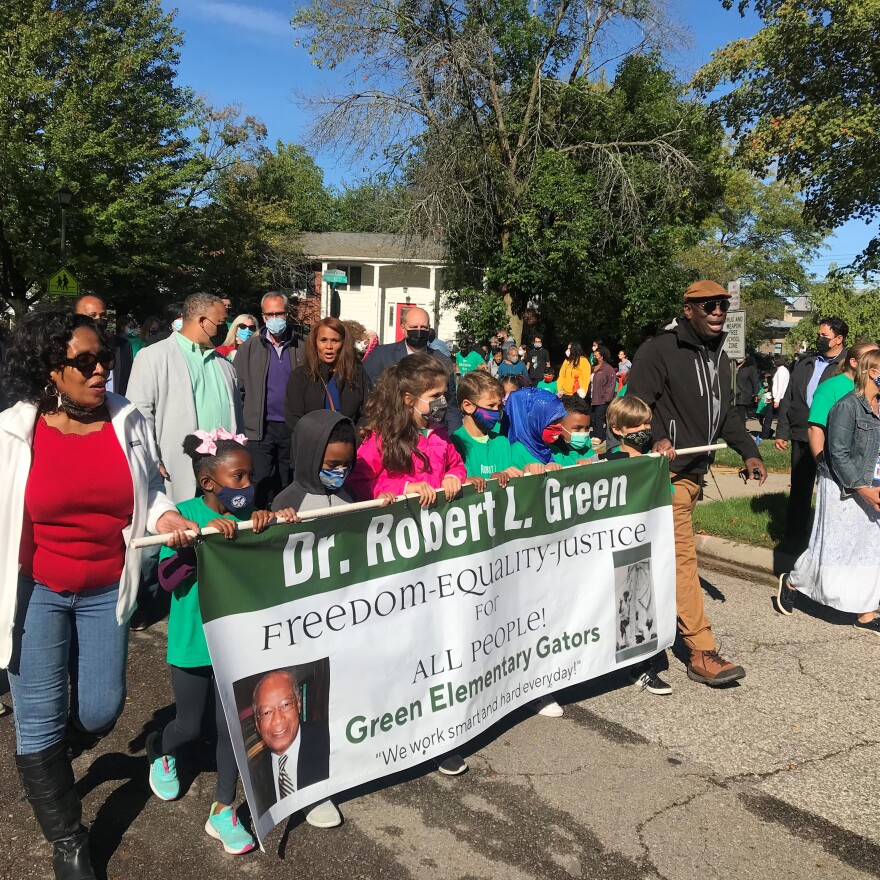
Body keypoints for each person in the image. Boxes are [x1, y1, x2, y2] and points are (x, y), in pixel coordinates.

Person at [0, 309, 194, 880]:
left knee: (102, 709)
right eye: (82, 362)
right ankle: (69, 842)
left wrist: (168, 515)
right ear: (49, 369)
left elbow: (149, 490)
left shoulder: (125, 420)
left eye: (102, 359)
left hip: (107, 588)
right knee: (37, 722)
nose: (98, 371)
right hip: (36, 592)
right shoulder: (15, 430)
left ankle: (48, 762)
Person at [147, 432, 298, 853]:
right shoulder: (182, 516)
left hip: (237, 644)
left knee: (234, 730)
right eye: (239, 476)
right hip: (193, 643)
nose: (248, 485)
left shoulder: (253, 515)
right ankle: (160, 747)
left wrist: (278, 523)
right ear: (209, 482)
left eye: (251, 476)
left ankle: (223, 808)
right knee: (189, 725)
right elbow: (167, 579)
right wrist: (199, 544)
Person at [626, 280, 766, 686]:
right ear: (688, 310)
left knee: (663, 560)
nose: (718, 310)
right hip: (664, 476)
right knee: (683, 559)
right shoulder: (659, 349)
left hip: (694, 472)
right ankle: (701, 650)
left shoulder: (720, 358)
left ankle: (640, 633)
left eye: (722, 303)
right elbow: (636, 404)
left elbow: (728, 416)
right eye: (708, 305)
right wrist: (655, 436)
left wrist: (749, 452)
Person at [348, 355, 475, 775]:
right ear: (408, 399)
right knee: (402, 649)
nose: (443, 403)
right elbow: (364, 488)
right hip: (398, 564)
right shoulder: (377, 442)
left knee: (438, 644)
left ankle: (439, 734)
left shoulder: (441, 438)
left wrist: (457, 477)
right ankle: (393, 727)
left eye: (445, 394)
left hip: (438, 560)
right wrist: (405, 487)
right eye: (435, 396)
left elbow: (454, 468)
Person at [776, 349, 880, 630]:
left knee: (870, 547)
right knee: (833, 545)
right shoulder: (844, 402)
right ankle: (795, 581)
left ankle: (866, 612)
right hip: (843, 484)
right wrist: (853, 484)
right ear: (871, 370)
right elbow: (832, 446)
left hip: (873, 484)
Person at [127, 292, 241, 504]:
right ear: (202, 321)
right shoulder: (153, 357)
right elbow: (138, 418)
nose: (224, 329)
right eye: (221, 323)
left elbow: (237, 419)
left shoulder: (225, 365)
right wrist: (151, 461)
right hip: (177, 472)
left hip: (223, 476)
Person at [603, 395, 672, 696]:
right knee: (619, 604)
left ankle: (641, 663)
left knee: (646, 603)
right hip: (616, 545)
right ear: (618, 429)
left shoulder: (654, 460)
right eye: (638, 425)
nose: (645, 428)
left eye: (648, 423)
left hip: (646, 544)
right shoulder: (608, 462)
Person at [775, 317, 849, 541]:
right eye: (819, 335)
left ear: (839, 339)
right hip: (801, 433)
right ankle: (795, 532)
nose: (819, 339)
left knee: (832, 488)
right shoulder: (807, 363)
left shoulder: (847, 365)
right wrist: (782, 432)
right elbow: (789, 398)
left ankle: (829, 535)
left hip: (832, 436)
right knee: (800, 486)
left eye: (824, 336)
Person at [234, 292, 305, 507]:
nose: (275, 318)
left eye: (280, 313)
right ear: (263, 317)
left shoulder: (302, 347)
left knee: (288, 480)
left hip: (292, 427)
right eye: (270, 314)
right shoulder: (248, 349)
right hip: (259, 429)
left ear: (287, 314)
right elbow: (239, 389)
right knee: (259, 480)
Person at [248, 670, 331, 820]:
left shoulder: (328, 740)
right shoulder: (255, 769)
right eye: (267, 712)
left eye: (285, 705)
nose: (278, 720)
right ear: (257, 724)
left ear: (298, 704)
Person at [362, 307, 461, 432]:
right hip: (391, 432)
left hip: (431, 434)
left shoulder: (442, 360)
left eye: (424, 328)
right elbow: (370, 400)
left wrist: (455, 440)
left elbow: (450, 406)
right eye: (414, 327)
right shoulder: (381, 356)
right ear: (403, 328)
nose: (419, 332)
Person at [284, 317, 371, 445]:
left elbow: (367, 412)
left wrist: (353, 440)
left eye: (335, 341)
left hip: (348, 448)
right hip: (310, 448)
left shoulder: (357, 374)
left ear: (344, 343)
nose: (329, 346)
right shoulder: (300, 376)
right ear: (315, 343)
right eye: (323, 340)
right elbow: (294, 418)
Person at [451, 371, 521, 484]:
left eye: (499, 406)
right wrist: (491, 480)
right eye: (490, 405)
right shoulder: (454, 444)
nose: (496, 411)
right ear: (468, 406)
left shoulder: (502, 442)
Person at [73, 295, 134, 398]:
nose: (99, 320)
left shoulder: (122, 345)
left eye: (103, 315)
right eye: (92, 315)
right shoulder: (69, 347)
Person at [589, 345, 616, 444]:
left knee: (599, 417)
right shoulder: (593, 368)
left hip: (602, 399)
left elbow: (611, 383)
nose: (594, 357)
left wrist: (607, 398)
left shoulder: (607, 369)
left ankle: (599, 436)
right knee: (593, 417)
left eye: (596, 355)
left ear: (602, 356)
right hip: (592, 397)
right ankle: (595, 434)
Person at [735, 355, 761, 428]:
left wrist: (756, 394)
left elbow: (755, 382)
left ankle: (741, 430)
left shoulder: (750, 368)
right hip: (732, 395)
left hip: (743, 395)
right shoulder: (732, 365)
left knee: (741, 414)